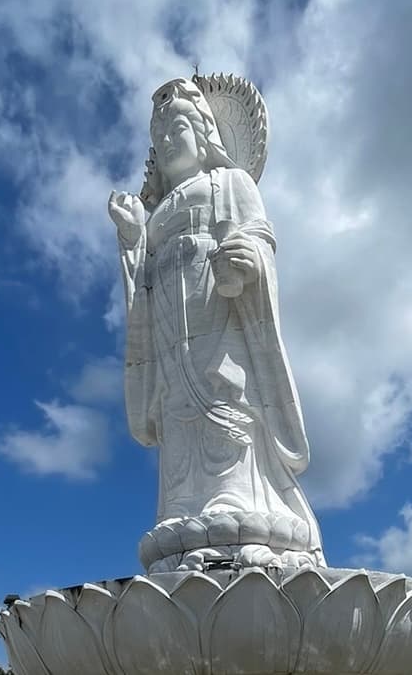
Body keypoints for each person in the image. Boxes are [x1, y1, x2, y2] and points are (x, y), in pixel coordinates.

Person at [108, 77, 324, 573]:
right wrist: (133, 242)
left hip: (222, 325)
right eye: (157, 135)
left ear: (206, 133)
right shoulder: (156, 214)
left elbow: (259, 238)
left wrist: (247, 261)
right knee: (177, 412)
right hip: (168, 335)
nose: (165, 141)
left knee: (225, 396)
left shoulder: (231, 184)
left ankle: (235, 499)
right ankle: (184, 506)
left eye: (176, 127)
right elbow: (140, 283)